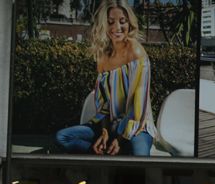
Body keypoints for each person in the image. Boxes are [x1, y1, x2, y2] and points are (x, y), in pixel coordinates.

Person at [55, 0, 156, 156]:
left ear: (129, 24)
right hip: (111, 126)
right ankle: (106, 153)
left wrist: (121, 139)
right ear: (104, 25)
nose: (117, 27)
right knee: (62, 137)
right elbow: (104, 105)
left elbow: (139, 106)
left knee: (140, 156)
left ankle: (116, 151)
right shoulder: (102, 57)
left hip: (137, 125)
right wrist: (104, 133)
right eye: (110, 22)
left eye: (122, 22)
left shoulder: (136, 52)